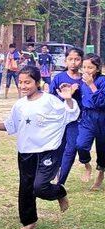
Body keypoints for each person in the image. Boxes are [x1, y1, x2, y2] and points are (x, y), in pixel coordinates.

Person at [0, 66, 78, 229]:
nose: (23, 86)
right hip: (26, 153)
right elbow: (10, 126)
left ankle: (59, 191)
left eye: (27, 82)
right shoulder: (19, 105)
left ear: (37, 82)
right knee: (26, 187)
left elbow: (71, 114)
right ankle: (29, 221)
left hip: (48, 150)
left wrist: (68, 99)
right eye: (20, 82)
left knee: (40, 187)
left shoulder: (49, 101)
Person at [51, 47, 92, 186]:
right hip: (60, 119)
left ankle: (61, 182)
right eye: (70, 59)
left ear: (81, 61)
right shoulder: (58, 78)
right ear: (65, 60)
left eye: (77, 59)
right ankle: (54, 173)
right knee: (58, 148)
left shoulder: (85, 80)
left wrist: (78, 91)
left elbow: (88, 100)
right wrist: (64, 93)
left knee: (72, 149)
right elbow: (51, 99)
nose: (73, 62)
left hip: (78, 120)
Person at [76, 53, 105, 190]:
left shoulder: (102, 81)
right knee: (81, 144)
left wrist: (91, 84)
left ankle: (101, 173)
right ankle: (87, 166)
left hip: (102, 117)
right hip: (87, 117)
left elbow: (101, 102)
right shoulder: (81, 82)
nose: (86, 70)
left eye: (90, 67)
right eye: (84, 67)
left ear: (98, 68)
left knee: (103, 148)